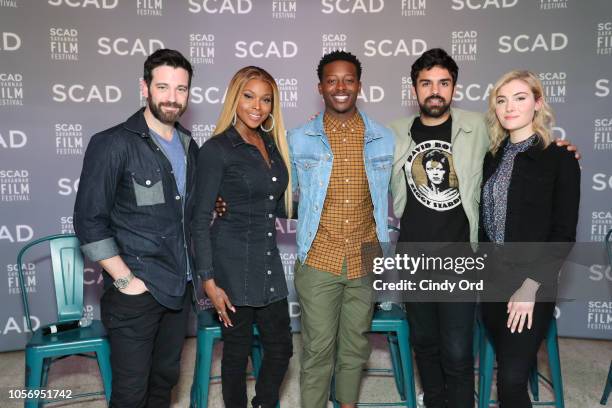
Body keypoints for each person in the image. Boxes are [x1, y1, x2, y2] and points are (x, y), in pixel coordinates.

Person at [389, 48, 579, 408]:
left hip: (463, 260)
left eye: (443, 83)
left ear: (454, 88)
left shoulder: (478, 127)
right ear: (414, 89)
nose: (434, 90)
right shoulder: (393, 133)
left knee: (460, 352)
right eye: (426, 83)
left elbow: (558, 221)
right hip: (414, 260)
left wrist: (564, 151)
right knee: (425, 346)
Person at [74, 49, 198, 407]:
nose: (172, 98)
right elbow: (88, 220)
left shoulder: (191, 147)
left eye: (181, 89)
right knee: (131, 393)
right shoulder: (113, 143)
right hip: (135, 294)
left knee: (164, 383)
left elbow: (193, 211)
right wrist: (126, 280)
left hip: (179, 288)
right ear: (144, 88)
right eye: (163, 87)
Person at [289, 51, 394, 408]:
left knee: (355, 347)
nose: (340, 87)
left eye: (348, 79)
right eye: (332, 80)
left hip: (365, 259)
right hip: (319, 259)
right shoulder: (298, 138)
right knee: (317, 351)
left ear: (359, 85)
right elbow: (276, 193)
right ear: (320, 87)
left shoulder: (384, 137)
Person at [191, 66, 293, 408]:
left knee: (282, 348)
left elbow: (275, 205)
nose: (257, 106)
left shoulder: (271, 145)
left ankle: (263, 403)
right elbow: (199, 218)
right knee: (236, 353)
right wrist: (208, 280)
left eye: (266, 99)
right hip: (231, 264)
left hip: (267, 262)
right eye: (249, 96)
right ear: (235, 98)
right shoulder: (217, 150)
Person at [479, 70, 580, 408]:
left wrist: (530, 285)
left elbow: (563, 233)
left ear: (537, 103)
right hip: (492, 280)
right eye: (502, 100)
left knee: (509, 381)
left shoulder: (561, 159)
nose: (510, 107)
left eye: (520, 98)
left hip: (531, 284)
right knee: (506, 373)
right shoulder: (491, 157)